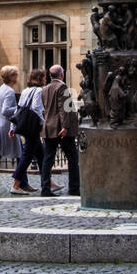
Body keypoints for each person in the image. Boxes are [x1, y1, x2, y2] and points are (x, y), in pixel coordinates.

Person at [40, 64, 80, 197]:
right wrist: (65, 127)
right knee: (73, 158)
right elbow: (64, 109)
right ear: (61, 75)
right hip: (61, 129)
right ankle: (74, 188)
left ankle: (45, 188)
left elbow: (45, 109)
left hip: (48, 127)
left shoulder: (45, 89)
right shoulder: (62, 87)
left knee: (48, 159)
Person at [9, 68, 45, 194]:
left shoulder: (25, 91)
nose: (46, 79)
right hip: (33, 127)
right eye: (44, 77)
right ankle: (16, 184)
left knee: (41, 154)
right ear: (40, 78)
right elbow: (36, 108)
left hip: (24, 125)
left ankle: (48, 181)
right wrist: (42, 123)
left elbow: (18, 110)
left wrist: (12, 127)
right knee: (27, 156)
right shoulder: (40, 91)